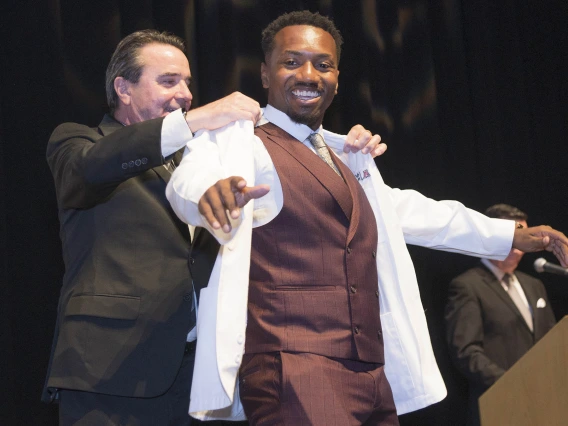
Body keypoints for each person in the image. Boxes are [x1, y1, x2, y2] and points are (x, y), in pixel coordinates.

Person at [166, 11, 568, 425]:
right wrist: (206, 195)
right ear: (265, 74)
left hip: (372, 371)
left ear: (337, 79)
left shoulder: (343, 158)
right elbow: (189, 178)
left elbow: (419, 213)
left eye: (322, 65)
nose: (308, 74)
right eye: (291, 62)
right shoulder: (241, 144)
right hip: (291, 366)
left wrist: (509, 235)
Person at [44, 28, 382, 426]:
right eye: (168, 81)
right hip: (109, 372)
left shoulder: (206, 156)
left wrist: (340, 149)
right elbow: (90, 168)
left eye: (187, 82)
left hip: (201, 377)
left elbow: (285, 164)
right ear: (123, 88)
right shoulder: (78, 142)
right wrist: (193, 120)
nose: (185, 94)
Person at [444, 204, 557, 426]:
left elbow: (551, 339)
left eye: (525, 239)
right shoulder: (467, 285)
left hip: (545, 401)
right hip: (500, 402)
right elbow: (465, 352)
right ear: (494, 236)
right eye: (514, 239)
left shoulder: (534, 285)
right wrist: (511, 383)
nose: (518, 249)